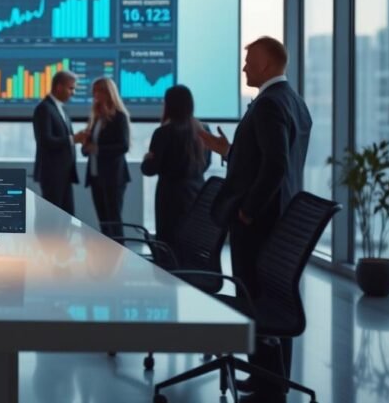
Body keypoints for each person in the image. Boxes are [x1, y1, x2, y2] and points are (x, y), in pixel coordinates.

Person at [199, 36, 311, 402]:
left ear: (265, 64)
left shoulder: (268, 105)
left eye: (249, 60)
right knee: (270, 300)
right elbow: (266, 161)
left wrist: (247, 209)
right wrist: (228, 151)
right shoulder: (294, 102)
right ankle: (266, 378)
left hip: (259, 224)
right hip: (280, 220)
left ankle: (268, 386)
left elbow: (275, 165)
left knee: (256, 299)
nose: (244, 66)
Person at [141, 85, 210, 250]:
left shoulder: (163, 133)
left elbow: (149, 170)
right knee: (190, 243)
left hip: (170, 198)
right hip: (197, 193)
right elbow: (206, 163)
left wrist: (146, 159)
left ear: (169, 106)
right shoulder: (204, 129)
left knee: (169, 247)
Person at [80, 77, 130, 240]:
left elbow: (123, 146)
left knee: (113, 221)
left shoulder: (119, 117)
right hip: (96, 177)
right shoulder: (96, 118)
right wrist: (86, 145)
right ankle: (108, 259)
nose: (93, 95)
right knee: (103, 222)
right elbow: (88, 149)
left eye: (97, 91)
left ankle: (120, 259)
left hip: (113, 177)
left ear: (107, 93)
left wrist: (98, 149)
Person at [32, 71, 88, 215]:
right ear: (58, 87)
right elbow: (45, 140)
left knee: (66, 217)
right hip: (52, 173)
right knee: (52, 219)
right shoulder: (44, 109)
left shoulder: (61, 109)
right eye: (71, 88)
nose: (73, 92)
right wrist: (73, 139)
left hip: (64, 174)